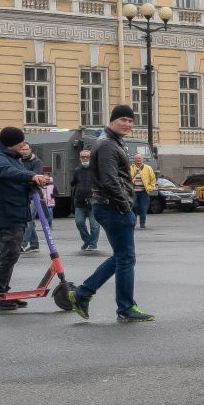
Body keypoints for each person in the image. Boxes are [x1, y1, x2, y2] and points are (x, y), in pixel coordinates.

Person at [70, 104, 153, 323]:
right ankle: (125, 308)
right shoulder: (107, 144)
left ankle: (83, 293)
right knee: (126, 258)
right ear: (112, 120)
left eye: (130, 120)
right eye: (123, 120)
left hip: (110, 206)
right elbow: (109, 179)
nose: (127, 124)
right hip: (113, 207)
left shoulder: (112, 142)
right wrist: (125, 205)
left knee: (121, 257)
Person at [0, 126, 53, 311]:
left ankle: (2, 293)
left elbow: (16, 178)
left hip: (14, 211)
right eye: (20, 143)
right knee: (8, 254)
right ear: (12, 144)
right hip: (5, 213)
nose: (23, 146)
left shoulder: (9, 156)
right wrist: (31, 175)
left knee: (11, 255)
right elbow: (6, 172)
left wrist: (32, 181)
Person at [71, 146, 100, 253]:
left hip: (94, 202)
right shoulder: (77, 170)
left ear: (90, 158)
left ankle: (92, 244)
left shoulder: (96, 170)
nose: (85, 158)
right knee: (79, 223)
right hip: (79, 202)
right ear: (80, 158)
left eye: (87, 156)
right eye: (82, 157)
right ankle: (87, 240)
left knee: (94, 226)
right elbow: (73, 183)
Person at [130, 154, 156, 228]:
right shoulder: (130, 168)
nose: (138, 160)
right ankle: (133, 224)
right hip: (133, 192)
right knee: (133, 208)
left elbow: (153, 179)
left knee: (143, 208)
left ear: (142, 159)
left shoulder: (148, 168)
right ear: (134, 160)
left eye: (140, 158)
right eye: (137, 158)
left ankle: (142, 224)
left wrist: (150, 188)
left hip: (144, 192)